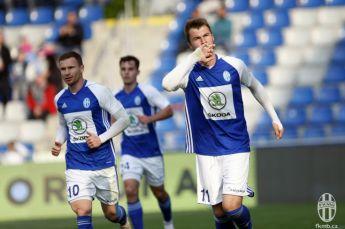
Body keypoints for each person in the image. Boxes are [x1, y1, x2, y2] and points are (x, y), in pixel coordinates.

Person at [162, 18, 284, 229]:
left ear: (213, 37)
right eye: (197, 39)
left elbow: (256, 87)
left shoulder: (234, 65)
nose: (203, 41)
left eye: (206, 36)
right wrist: (193, 58)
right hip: (206, 149)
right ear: (191, 45)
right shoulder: (188, 73)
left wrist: (274, 117)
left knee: (232, 207)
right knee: (219, 212)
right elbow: (167, 84)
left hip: (235, 145)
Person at [51, 51, 131, 229]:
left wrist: (100, 139)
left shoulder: (99, 91)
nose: (67, 72)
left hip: (103, 162)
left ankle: (123, 218)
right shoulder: (60, 98)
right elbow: (64, 125)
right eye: (63, 69)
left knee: (111, 213)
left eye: (71, 67)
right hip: (76, 163)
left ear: (81, 68)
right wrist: (58, 141)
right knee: (82, 209)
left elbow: (125, 119)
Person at [115, 55, 175, 229]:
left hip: (151, 152)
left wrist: (150, 118)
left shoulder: (147, 91)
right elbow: (110, 119)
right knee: (130, 190)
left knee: (160, 193)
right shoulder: (115, 96)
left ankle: (168, 223)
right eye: (123, 69)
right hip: (129, 152)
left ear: (137, 71)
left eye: (130, 69)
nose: (126, 73)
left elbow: (169, 110)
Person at [0, 31, 12, 115]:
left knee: (5, 91)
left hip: (4, 75)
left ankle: (5, 109)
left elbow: (9, 61)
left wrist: (4, 65)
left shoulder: (6, 49)